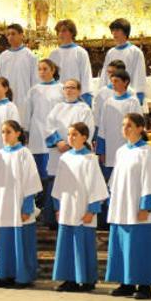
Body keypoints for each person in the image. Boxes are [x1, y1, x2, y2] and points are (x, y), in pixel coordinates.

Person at [106, 113, 151, 300]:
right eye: (123, 125)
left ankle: (144, 285)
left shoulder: (147, 153)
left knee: (141, 247)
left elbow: (150, 181)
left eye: (129, 125)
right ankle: (126, 282)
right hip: (122, 208)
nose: (125, 128)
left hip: (139, 209)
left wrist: (145, 207)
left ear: (141, 128)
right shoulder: (121, 151)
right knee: (124, 246)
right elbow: (115, 181)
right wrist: (113, 203)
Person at [50, 123, 108, 292]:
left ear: (84, 137)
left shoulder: (90, 158)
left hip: (83, 209)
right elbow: (59, 185)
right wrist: (58, 207)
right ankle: (69, 279)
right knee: (67, 244)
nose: (71, 137)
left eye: (75, 134)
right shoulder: (64, 158)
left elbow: (96, 186)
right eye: (69, 134)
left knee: (83, 244)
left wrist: (92, 210)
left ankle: (87, 279)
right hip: (67, 207)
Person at [0, 120, 42, 288]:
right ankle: (4, 274)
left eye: (8, 131)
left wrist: (27, 207)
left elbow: (31, 182)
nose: (5, 135)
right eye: (2, 132)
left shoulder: (25, 153)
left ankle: (23, 276)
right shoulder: (0, 154)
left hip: (19, 205)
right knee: (5, 242)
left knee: (22, 241)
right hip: (4, 205)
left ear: (18, 133)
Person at [44, 79, 95, 226]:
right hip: (57, 152)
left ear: (79, 91)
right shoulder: (57, 108)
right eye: (66, 88)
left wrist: (73, 145)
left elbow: (87, 130)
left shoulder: (84, 109)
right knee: (55, 184)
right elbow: (48, 127)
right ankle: (52, 219)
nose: (69, 90)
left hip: (76, 154)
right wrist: (58, 142)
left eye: (72, 88)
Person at [27, 59, 64, 220]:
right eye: (39, 69)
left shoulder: (61, 89)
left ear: (53, 69)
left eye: (45, 69)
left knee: (53, 174)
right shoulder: (34, 90)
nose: (41, 72)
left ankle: (51, 209)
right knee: (39, 174)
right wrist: (26, 132)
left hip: (55, 137)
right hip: (37, 135)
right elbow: (27, 112)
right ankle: (40, 207)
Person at [96, 70, 142, 180]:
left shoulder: (133, 102)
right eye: (112, 81)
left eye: (116, 81)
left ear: (125, 82)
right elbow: (102, 128)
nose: (113, 84)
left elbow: (138, 127)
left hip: (127, 147)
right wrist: (101, 150)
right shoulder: (108, 102)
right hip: (110, 148)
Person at [0, 24, 39, 122]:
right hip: (6, 98)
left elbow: (35, 80)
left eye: (13, 34)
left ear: (21, 35)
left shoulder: (29, 55)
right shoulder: (3, 56)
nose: (10, 37)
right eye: (8, 35)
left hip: (23, 98)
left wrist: (33, 101)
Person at [99, 18, 148, 105]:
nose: (114, 33)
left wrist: (138, 96)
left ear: (125, 32)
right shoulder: (110, 53)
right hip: (111, 97)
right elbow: (104, 76)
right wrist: (103, 94)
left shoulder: (135, 52)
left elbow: (139, 75)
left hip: (129, 97)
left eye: (117, 30)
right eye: (112, 31)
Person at [48, 19, 93, 105]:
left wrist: (86, 96)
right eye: (59, 31)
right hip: (58, 97)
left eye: (64, 31)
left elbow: (86, 75)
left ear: (72, 32)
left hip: (76, 97)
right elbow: (50, 76)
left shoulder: (80, 52)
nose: (60, 34)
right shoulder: (53, 54)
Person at [92, 59, 128, 128]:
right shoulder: (102, 92)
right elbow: (96, 114)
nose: (110, 75)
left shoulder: (130, 92)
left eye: (113, 72)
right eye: (109, 72)